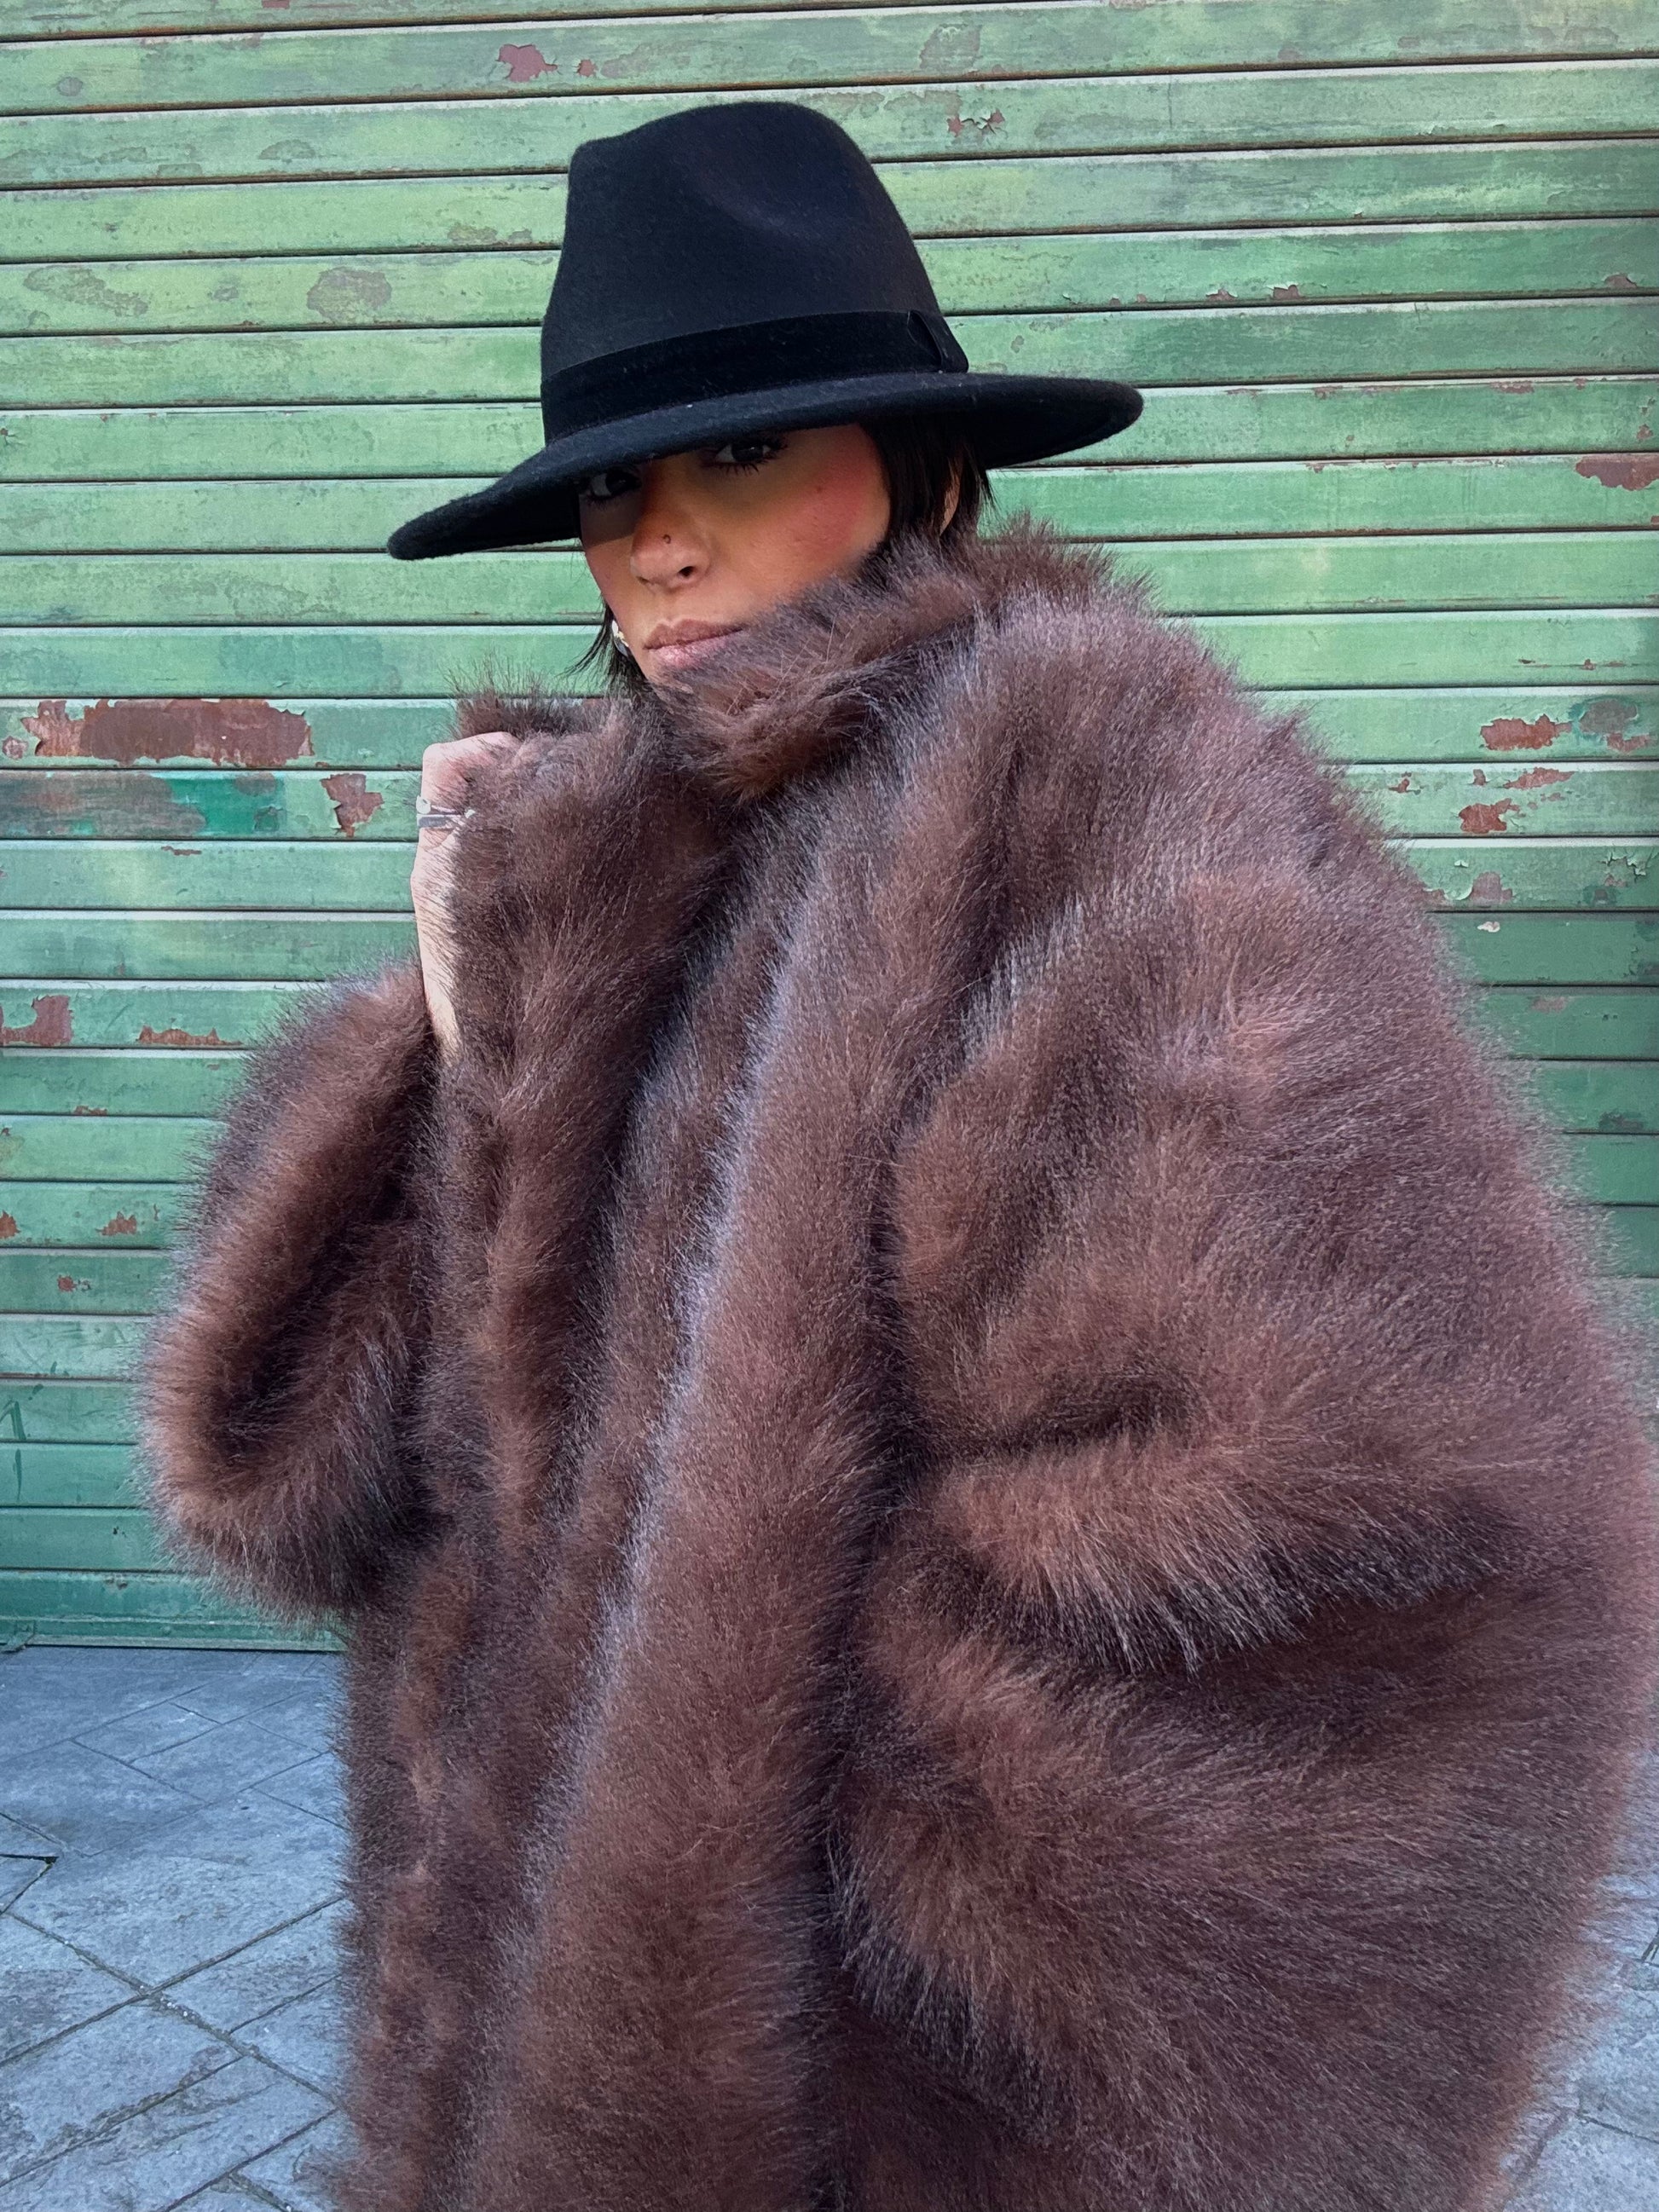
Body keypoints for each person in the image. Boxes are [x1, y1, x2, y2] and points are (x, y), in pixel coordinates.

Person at [137, 101, 1657, 2212]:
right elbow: (290, 1481)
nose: (659, 540)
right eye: (608, 486)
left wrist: (784, 1937)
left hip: (840, 2099)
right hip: (518, 2019)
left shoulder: (1095, 801)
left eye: (744, 450)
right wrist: (461, 1040)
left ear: (928, 463)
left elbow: (1329, 1500)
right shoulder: (615, 851)